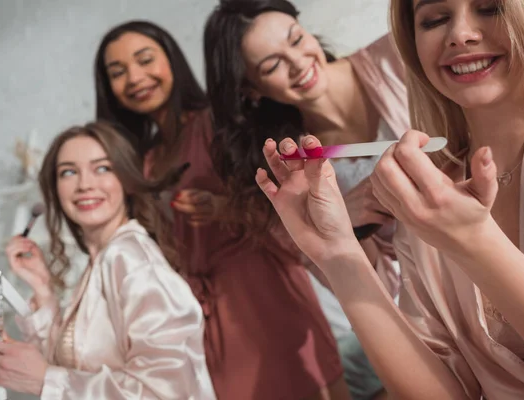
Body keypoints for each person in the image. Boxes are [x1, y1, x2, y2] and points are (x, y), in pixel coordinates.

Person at [255, 0, 524, 398]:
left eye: (491, 7)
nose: (459, 34)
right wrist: (339, 253)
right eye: (435, 19)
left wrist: (475, 243)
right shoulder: (428, 191)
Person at [95, 20, 348, 400]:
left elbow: (286, 201)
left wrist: (223, 208)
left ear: (172, 62)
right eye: (118, 72)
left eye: (145, 59)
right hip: (200, 314)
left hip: (265, 293)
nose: (135, 77)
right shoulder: (141, 164)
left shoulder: (221, 122)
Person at [204, 1, 411, 398]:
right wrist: (343, 227)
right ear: (251, 91)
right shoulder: (291, 168)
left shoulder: (397, 58)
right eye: (271, 66)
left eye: (297, 39)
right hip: (419, 314)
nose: (299, 63)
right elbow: (371, 287)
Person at [0, 121, 215, 399]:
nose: (84, 184)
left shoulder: (131, 259)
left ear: (127, 181)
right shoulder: (103, 259)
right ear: (55, 188)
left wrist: (47, 381)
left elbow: (166, 391)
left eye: (103, 168)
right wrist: (42, 287)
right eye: (68, 172)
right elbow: (74, 364)